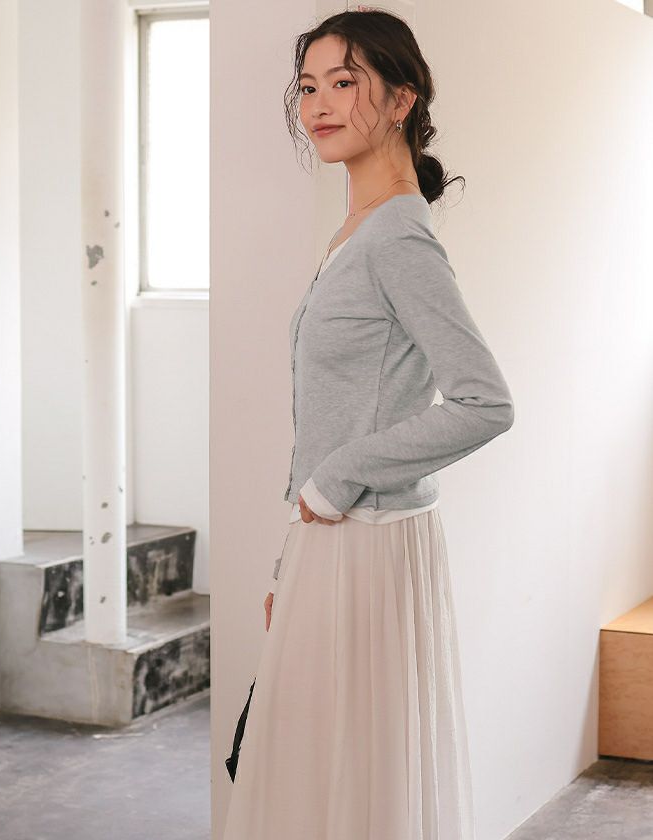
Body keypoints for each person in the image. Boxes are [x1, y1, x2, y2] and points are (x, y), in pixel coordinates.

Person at [223, 9, 514, 840]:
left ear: (401, 99)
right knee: (323, 776)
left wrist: (337, 479)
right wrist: (291, 559)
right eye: (308, 86)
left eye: (344, 82)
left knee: (351, 782)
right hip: (332, 543)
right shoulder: (355, 229)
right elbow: (333, 411)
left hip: (368, 545)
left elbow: (485, 402)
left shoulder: (395, 237)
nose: (319, 104)